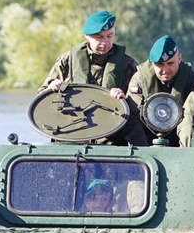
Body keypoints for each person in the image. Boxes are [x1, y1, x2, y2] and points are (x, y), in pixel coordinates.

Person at [40, 10, 146, 145]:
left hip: (112, 138)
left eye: (110, 36)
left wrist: (125, 98)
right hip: (73, 133)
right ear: (87, 37)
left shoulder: (127, 64)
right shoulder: (68, 61)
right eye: (99, 37)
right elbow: (41, 97)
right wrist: (52, 87)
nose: (105, 42)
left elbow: (140, 106)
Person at [127, 34, 194, 144]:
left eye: (170, 63)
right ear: (152, 63)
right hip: (146, 140)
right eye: (160, 64)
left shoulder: (193, 81)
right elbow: (133, 117)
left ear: (179, 59)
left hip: (180, 142)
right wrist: (142, 150)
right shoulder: (140, 80)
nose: (165, 70)